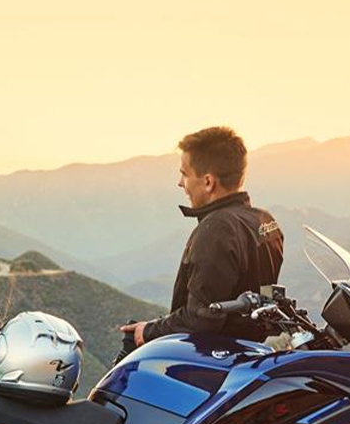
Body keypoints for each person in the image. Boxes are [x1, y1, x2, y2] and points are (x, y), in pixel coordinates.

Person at [121, 126, 283, 347]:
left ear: (208, 182)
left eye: (185, 174)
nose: (180, 183)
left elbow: (200, 319)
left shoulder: (217, 230)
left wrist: (148, 331)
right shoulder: (264, 221)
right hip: (250, 352)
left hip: (213, 358)